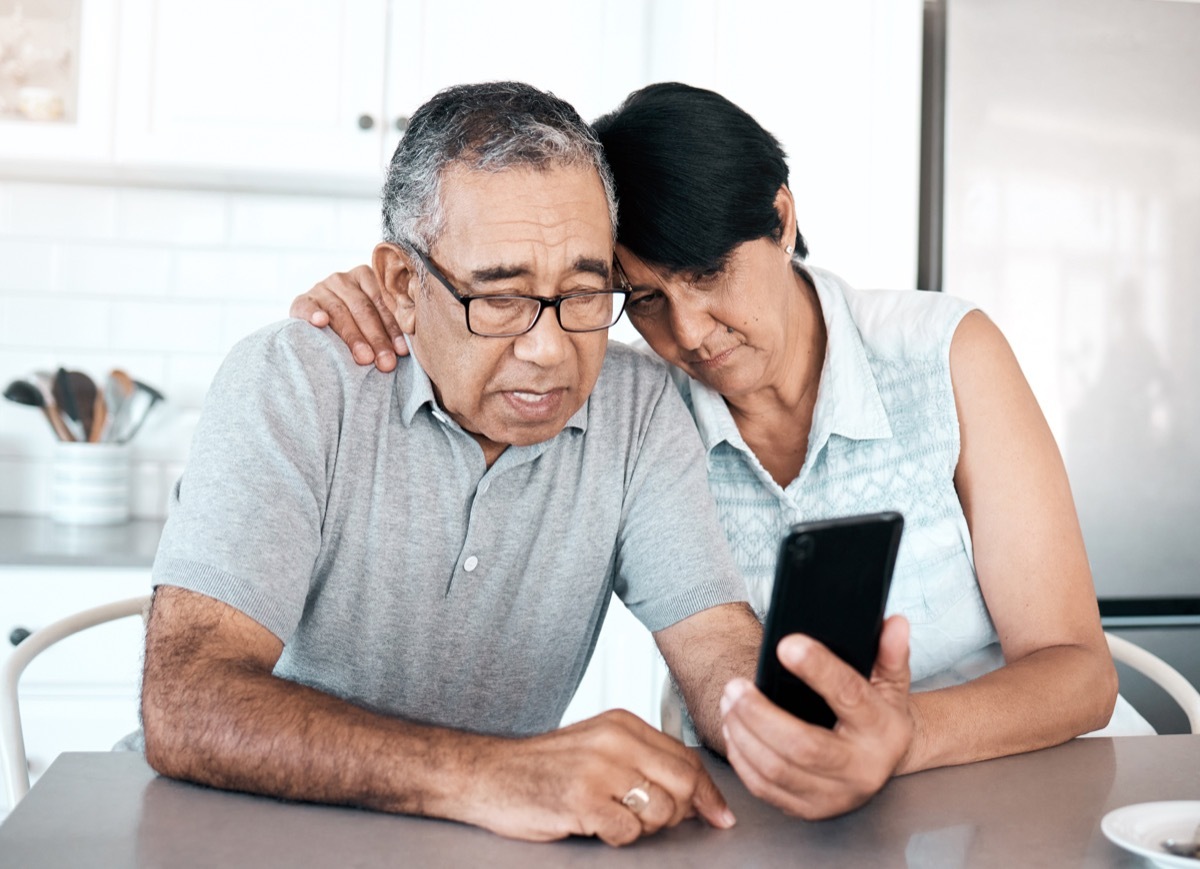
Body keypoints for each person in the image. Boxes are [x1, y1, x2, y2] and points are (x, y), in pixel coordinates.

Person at [293, 82, 1148, 822]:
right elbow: (499, 311)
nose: (691, 333)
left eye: (708, 274)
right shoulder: (631, 402)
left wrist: (905, 736)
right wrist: (392, 300)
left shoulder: (943, 354)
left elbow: (1079, 673)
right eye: (648, 299)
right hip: (776, 809)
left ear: (781, 218)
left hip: (1021, 792)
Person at [139, 81, 770, 847]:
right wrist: (494, 773)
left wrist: (781, 726)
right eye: (499, 299)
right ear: (405, 285)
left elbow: (712, 644)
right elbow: (186, 703)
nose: (548, 350)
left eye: (581, 291)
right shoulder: (294, 380)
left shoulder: (636, 408)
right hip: (235, 835)